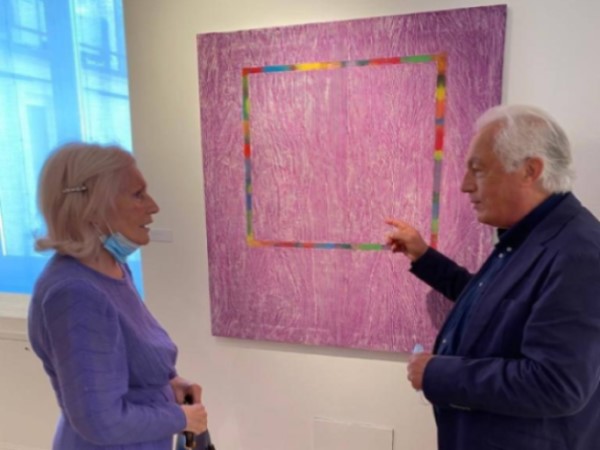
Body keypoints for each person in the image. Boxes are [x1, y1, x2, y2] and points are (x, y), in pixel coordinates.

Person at [386, 105, 600, 450]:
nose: (465, 185)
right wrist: (424, 257)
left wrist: (437, 374)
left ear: (530, 171)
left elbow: (557, 384)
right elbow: (495, 305)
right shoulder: (531, 238)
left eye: (479, 170)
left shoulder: (579, 252)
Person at [28, 143, 210, 450]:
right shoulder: (75, 294)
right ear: (92, 208)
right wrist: (180, 418)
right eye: (138, 194)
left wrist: (167, 386)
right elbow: (101, 421)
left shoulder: (113, 269)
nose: (153, 206)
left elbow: (126, 363)